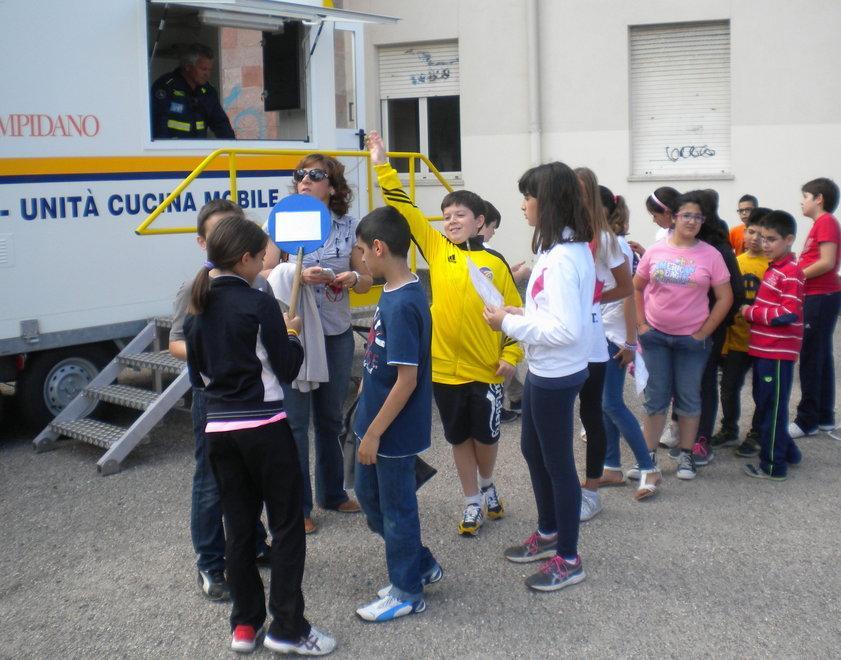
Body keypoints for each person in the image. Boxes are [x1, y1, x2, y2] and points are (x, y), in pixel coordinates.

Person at [183, 215, 335, 656]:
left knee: (239, 528)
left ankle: (245, 625)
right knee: (286, 527)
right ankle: (287, 626)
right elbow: (286, 368)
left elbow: (197, 377)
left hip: (219, 430)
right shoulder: (257, 302)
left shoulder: (197, 307)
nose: (266, 262)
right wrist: (292, 335)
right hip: (265, 428)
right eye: (263, 255)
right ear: (246, 259)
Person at [368, 130, 524, 537]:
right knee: (458, 438)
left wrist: (511, 356)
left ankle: (487, 484)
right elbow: (404, 208)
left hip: (486, 369)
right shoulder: (437, 249)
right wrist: (382, 164)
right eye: (447, 215)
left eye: (460, 215)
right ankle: (472, 500)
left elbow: (516, 313)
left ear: (480, 222)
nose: (452, 221)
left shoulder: (496, 263)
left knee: (486, 437)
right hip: (443, 370)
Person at [483, 161, 594, 591]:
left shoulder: (564, 258)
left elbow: (567, 330)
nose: (523, 205)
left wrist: (508, 324)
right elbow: (553, 312)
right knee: (533, 450)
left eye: (528, 197)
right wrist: (521, 312)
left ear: (547, 203)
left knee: (558, 464)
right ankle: (549, 532)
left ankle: (569, 557)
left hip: (557, 373)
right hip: (546, 369)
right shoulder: (556, 250)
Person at [168, 199, 271, 602]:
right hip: (213, 398)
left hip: (254, 396)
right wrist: (218, 355)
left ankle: (254, 543)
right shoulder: (196, 287)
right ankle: (210, 563)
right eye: (218, 232)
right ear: (203, 242)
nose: (229, 237)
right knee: (211, 480)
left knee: (251, 475)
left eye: (235, 228)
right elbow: (176, 343)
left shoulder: (257, 282)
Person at [265, 154, 373, 534]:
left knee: (330, 419)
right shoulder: (280, 220)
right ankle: (300, 507)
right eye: (300, 174)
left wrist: (351, 278)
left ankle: (333, 493)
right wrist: (294, 273)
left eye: (315, 174)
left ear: (333, 185)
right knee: (295, 423)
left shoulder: (349, 226)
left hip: (336, 333)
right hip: (294, 332)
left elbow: (367, 278)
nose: (305, 180)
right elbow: (262, 270)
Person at [352, 206, 442, 622]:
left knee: (396, 510)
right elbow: (380, 357)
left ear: (378, 247)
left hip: (391, 432)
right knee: (371, 500)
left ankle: (407, 591)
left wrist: (373, 433)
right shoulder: (391, 291)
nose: (359, 259)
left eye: (360, 250)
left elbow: (407, 380)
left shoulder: (404, 303)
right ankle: (420, 564)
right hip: (374, 421)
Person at [634, 193, 733, 481]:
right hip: (655, 337)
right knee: (655, 398)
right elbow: (636, 286)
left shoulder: (711, 255)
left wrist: (703, 332)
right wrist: (641, 325)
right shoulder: (655, 251)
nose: (692, 221)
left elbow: (725, 297)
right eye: (686, 215)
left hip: (692, 342)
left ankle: (687, 455)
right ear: (674, 217)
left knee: (689, 397)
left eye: (698, 217)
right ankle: (648, 457)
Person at [574, 168, 632, 520]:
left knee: (593, 412)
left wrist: (591, 299)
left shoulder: (606, 239)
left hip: (596, 340)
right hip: (565, 341)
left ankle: (593, 488)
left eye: (580, 191)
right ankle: (570, 486)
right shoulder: (562, 235)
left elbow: (626, 288)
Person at [597, 185, 660, 500]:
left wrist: (631, 342)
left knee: (612, 403)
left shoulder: (613, 243)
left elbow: (627, 294)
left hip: (614, 335)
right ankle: (611, 467)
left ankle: (649, 466)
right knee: (602, 403)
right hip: (599, 332)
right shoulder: (596, 240)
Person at [741, 211, 805, 480]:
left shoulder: (790, 273)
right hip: (764, 350)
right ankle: (789, 453)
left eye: (771, 239)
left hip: (777, 353)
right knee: (766, 404)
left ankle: (772, 465)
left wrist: (751, 313)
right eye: (762, 237)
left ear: (788, 240)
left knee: (773, 409)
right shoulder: (775, 268)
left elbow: (788, 313)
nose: (764, 243)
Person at [685, 190, 745, 466]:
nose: (688, 220)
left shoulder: (717, 248)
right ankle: (686, 435)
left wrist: (714, 324)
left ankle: (701, 439)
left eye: (694, 214)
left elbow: (736, 293)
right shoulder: (684, 245)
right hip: (681, 326)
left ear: (704, 216)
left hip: (708, 328)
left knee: (704, 381)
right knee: (686, 383)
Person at [710, 207, 771, 456]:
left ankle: (757, 433)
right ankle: (729, 428)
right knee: (729, 386)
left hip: (763, 341)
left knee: (762, 390)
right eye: (751, 232)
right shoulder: (735, 261)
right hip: (736, 340)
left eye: (762, 235)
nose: (755, 238)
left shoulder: (772, 265)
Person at [790, 177, 841, 438]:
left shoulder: (826, 222)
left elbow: (827, 262)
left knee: (811, 356)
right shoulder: (821, 223)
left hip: (820, 296)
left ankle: (806, 420)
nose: (802, 202)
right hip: (819, 296)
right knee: (820, 356)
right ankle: (824, 416)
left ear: (819, 199)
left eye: (806, 197)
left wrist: (795, 277)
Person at [479, 200, 525, 424]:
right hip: (493, 317)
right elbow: (491, 286)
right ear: (481, 223)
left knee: (506, 359)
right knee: (502, 363)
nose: (494, 232)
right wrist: (520, 275)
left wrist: (509, 272)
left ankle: (518, 397)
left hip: (491, 316)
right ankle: (500, 404)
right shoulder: (487, 252)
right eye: (492, 227)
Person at [151, 43, 235, 140]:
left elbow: (220, 123)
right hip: (171, 148)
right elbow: (157, 123)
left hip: (199, 148)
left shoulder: (208, 92)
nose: (207, 74)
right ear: (188, 66)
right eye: (203, 69)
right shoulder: (166, 86)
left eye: (210, 70)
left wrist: (232, 145)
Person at [627, 186, 680, 259]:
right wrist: (644, 253)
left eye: (655, 216)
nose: (654, 221)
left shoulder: (687, 237)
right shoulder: (663, 234)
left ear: (667, 213)